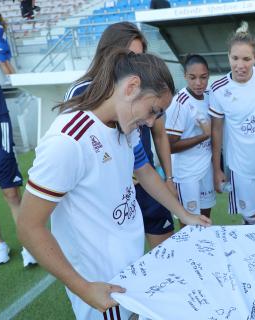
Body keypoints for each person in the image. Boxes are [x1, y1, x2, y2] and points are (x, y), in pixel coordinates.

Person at [17, 49, 211, 320]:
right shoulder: (68, 141)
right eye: (153, 110)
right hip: (101, 287)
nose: (152, 122)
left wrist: (183, 214)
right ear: (132, 86)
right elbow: (28, 227)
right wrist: (83, 288)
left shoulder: (124, 126)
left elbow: (144, 171)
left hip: (130, 271)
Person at [64, 22, 176, 249]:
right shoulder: (82, 93)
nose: (137, 64)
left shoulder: (146, 92)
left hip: (146, 179)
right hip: (113, 193)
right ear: (110, 53)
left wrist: (169, 178)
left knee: (166, 254)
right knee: (121, 259)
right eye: (131, 56)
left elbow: (159, 135)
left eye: (141, 56)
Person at [209, 22, 255, 225]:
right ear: (228, 56)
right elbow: (216, 132)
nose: (240, 65)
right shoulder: (218, 89)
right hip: (242, 168)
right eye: (235, 58)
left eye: (246, 59)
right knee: (250, 218)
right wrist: (217, 169)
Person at [0, 72, 35, 266]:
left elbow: (1, 112)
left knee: (12, 195)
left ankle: (28, 245)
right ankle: (0, 244)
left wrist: (5, 149)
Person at [165, 54, 215, 221]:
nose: (198, 83)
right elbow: (170, 146)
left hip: (205, 168)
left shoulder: (210, 97)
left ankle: (206, 247)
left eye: (203, 77)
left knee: (206, 217)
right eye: (193, 78)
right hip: (186, 174)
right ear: (185, 76)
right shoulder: (179, 103)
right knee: (190, 221)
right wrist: (204, 136)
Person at [0, 12, 15, 76]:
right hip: (5, 45)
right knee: (7, 62)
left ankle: (9, 80)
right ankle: (16, 79)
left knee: (2, 64)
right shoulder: (1, 24)